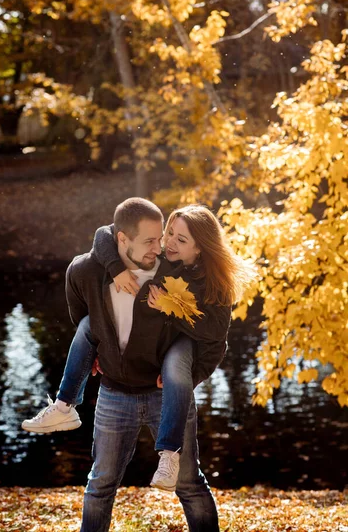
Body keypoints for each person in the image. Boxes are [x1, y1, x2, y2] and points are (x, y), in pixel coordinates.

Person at [22, 197, 229, 532]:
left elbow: (214, 336)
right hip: (114, 395)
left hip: (165, 394)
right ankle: (63, 405)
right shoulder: (86, 270)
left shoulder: (173, 271)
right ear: (123, 239)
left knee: (190, 485)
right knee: (100, 484)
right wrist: (93, 349)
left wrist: (192, 376)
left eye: (165, 238)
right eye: (153, 240)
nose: (161, 247)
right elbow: (83, 307)